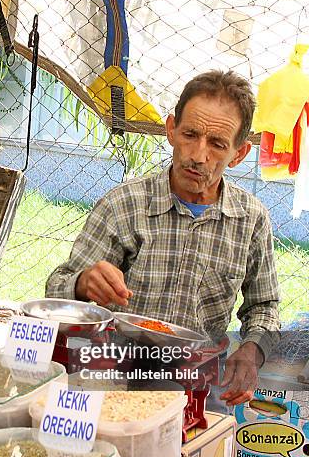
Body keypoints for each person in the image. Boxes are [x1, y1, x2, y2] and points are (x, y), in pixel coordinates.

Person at [46, 70, 280, 406]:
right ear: (171, 130)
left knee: (206, 447)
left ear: (239, 154)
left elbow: (264, 306)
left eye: (217, 144)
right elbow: (57, 290)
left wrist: (253, 350)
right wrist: (84, 283)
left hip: (197, 376)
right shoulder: (124, 205)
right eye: (190, 134)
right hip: (117, 367)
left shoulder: (251, 219)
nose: (199, 155)